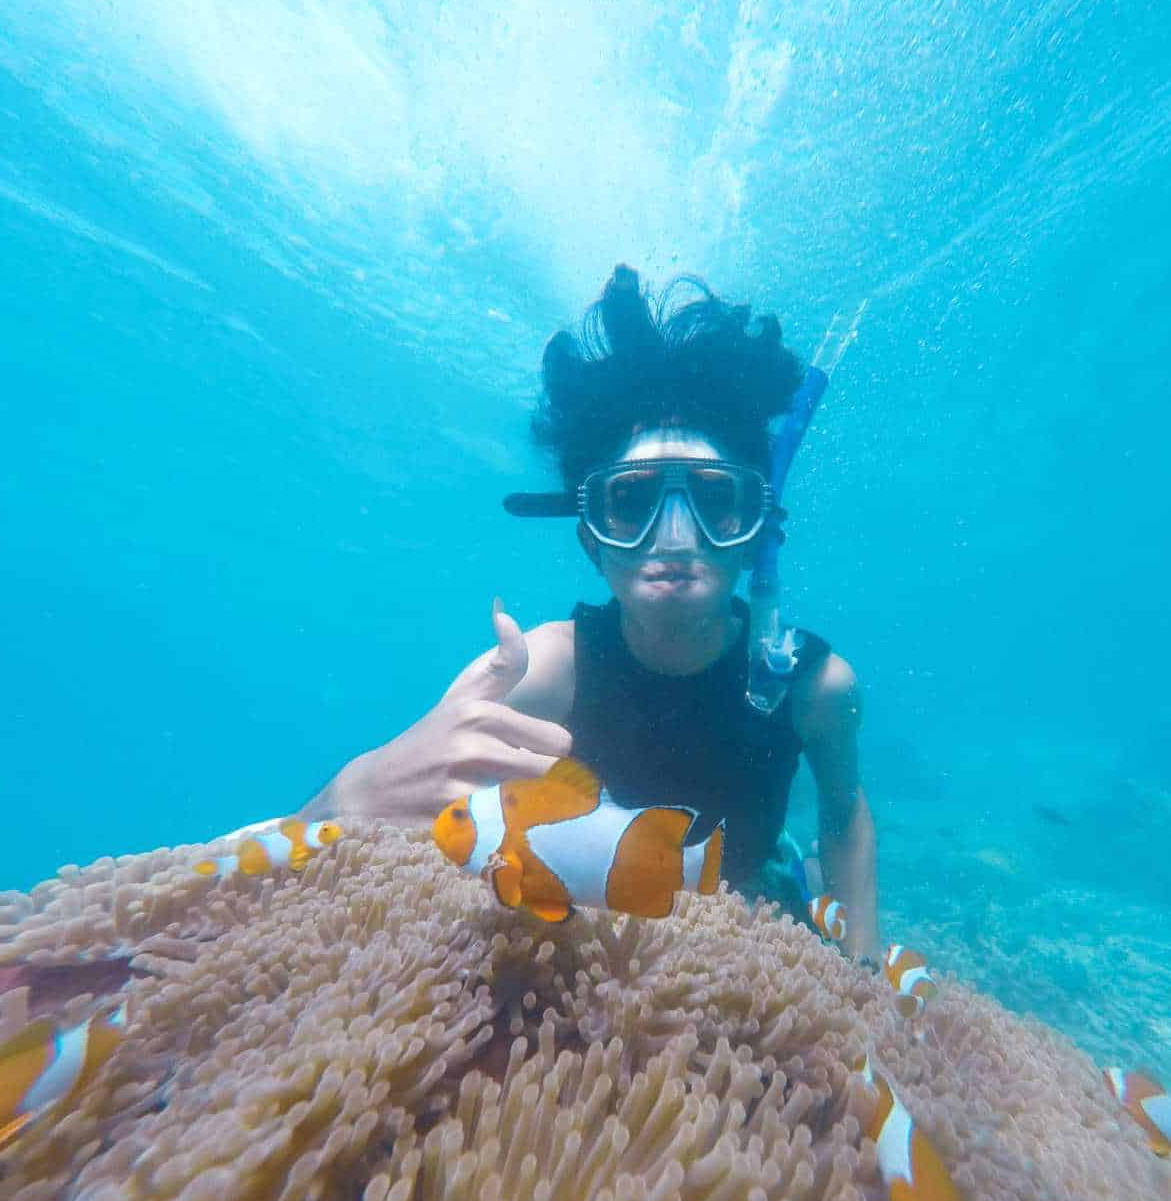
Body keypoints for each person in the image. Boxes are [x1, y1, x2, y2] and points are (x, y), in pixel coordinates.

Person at [302, 265, 876, 961]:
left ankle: (789, 872)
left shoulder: (815, 688)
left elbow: (843, 817)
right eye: (631, 504)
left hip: (752, 894)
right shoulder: (544, 668)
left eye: (715, 501)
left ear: (756, 530)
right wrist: (347, 795)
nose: (674, 537)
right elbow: (422, 799)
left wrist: (864, 965)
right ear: (590, 539)